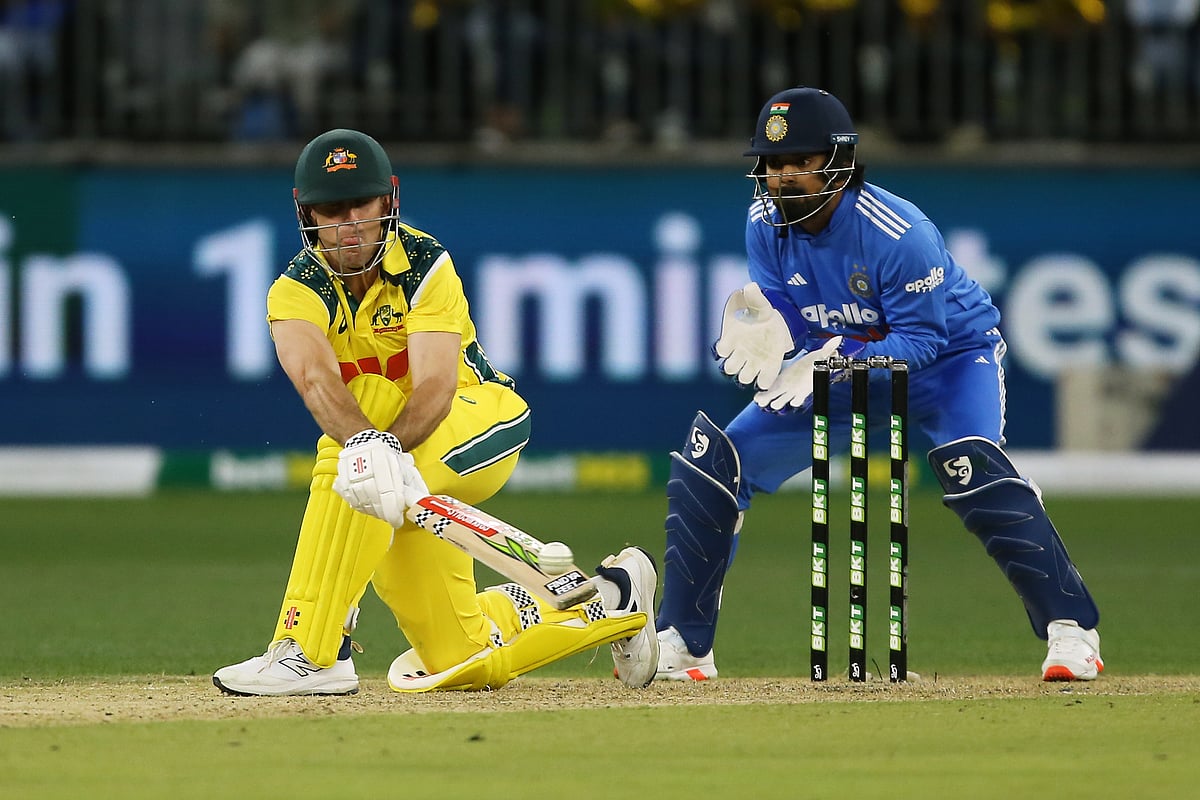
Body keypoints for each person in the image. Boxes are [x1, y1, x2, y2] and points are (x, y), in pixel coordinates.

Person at [652, 87, 1103, 683]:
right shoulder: (764, 220)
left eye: (799, 163)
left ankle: (1072, 631)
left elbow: (922, 342)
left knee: (972, 468)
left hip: (947, 362)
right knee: (713, 465)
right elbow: (786, 303)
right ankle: (684, 644)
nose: (782, 177)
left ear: (837, 163)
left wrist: (831, 362)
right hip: (838, 364)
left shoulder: (898, 233)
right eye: (772, 163)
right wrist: (772, 333)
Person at [214, 128, 658, 695]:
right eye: (331, 210)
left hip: (479, 420)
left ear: (388, 203)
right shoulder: (294, 290)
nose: (348, 225)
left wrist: (377, 447)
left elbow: (435, 389)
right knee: (460, 659)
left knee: (367, 415)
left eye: (360, 206)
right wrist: (369, 448)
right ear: (307, 214)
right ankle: (612, 598)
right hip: (392, 466)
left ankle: (308, 650)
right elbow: (316, 380)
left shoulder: (425, 263)